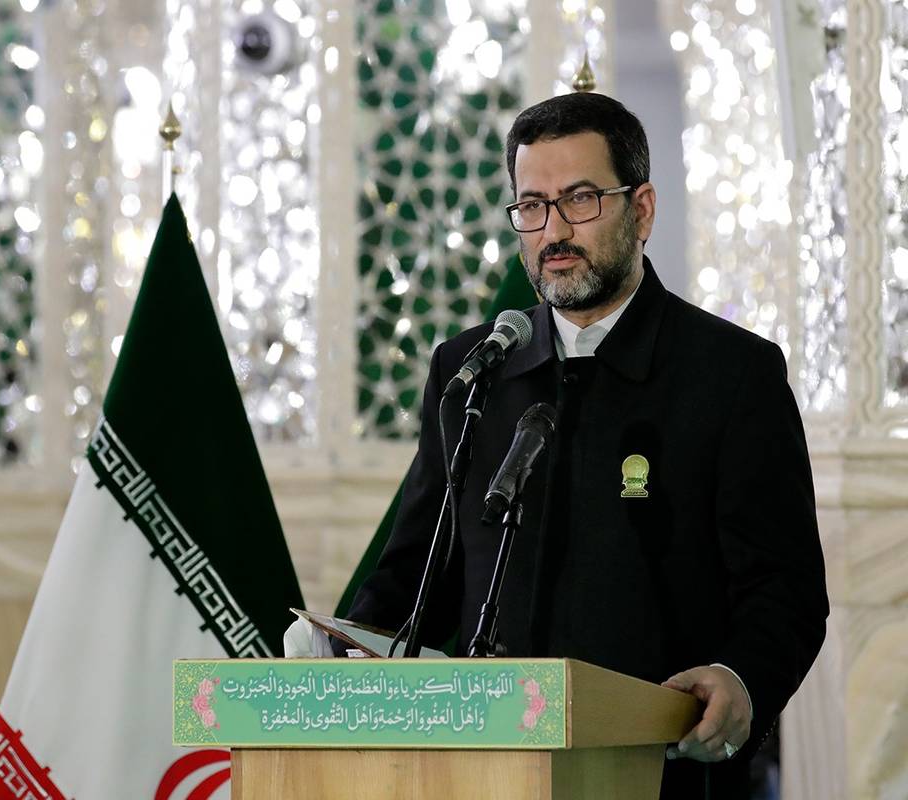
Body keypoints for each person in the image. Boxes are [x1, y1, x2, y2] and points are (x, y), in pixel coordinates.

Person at [338, 92, 828, 798]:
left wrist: (738, 678)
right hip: (483, 770)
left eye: (581, 199)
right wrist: (340, 649)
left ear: (642, 210)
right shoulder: (472, 371)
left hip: (662, 772)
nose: (554, 231)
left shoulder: (731, 373)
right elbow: (419, 571)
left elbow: (785, 590)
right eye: (532, 206)